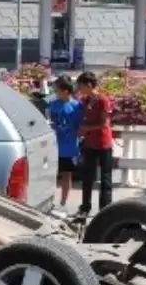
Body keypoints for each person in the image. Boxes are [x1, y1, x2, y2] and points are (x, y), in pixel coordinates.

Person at [76, 71, 116, 215]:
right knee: (87, 177)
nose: (79, 88)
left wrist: (87, 128)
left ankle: (105, 209)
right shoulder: (85, 101)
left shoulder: (102, 100)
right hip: (89, 143)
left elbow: (104, 124)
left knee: (105, 178)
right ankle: (85, 206)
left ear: (88, 85)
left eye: (80, 85)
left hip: (103, 143)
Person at [47, 76, 84, 208]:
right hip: (52, 146)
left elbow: (81, 127)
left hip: (68, 147)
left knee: (66, 175)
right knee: (48, 175)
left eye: (57, 89)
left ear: (66, 91)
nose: (55, 91)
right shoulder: (53, 105)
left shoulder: (77, 107)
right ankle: (48, 201)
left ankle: (63, 202)